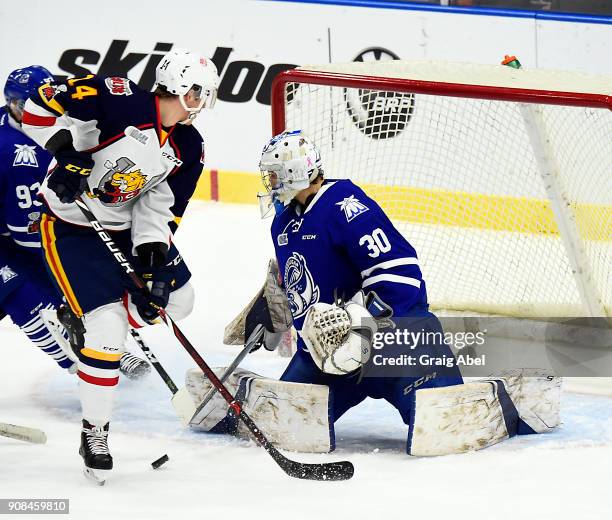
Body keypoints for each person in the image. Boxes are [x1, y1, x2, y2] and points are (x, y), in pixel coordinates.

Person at [21, 49, 219, 483]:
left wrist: (151, 267)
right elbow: (39, 105)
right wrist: (66, 152)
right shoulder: (118, 97)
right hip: (71, 226)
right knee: (108, 330)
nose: (202, 103)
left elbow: (160, 209)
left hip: (126, 230)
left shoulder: (188, 145)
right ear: (183, 88)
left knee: (178, 300)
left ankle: (93, 319)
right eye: (199, 94)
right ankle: (95, 430)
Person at [256, 130, 463, 446]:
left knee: (446, 427)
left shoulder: (345, 206)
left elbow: (400, 272)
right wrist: (274, 311)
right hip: (327, 353)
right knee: (277, 428)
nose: (269, 183)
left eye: (273, 175)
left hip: (394, 343)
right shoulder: (282, 224)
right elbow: (300, 287)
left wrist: (361, 325)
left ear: (294, 173)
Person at [0, 66, 151, 379]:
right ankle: (81, 360)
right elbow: (29, 238)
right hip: (12, 237)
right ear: (13, 106)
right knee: (26, 295)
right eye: (22, 105)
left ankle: (102, 348)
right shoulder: (16, 153)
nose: (30, 110)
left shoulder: (62, 125)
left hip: (14, 234)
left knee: (62, 286)